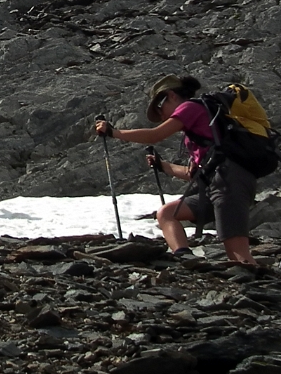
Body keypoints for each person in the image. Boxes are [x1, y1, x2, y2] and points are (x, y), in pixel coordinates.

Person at [95, 75, 258, 265]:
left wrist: (113, 132)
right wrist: (164, 166)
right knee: (166, 213)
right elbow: (194, 174)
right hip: (216, 184)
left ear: (171, 96)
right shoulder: (198, 132)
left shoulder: (190, 107)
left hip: (230, 182)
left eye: (160, 107)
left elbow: (155, 135)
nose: (161, 115)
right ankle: (185, 257)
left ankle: (257, 282)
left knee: (237, 252)